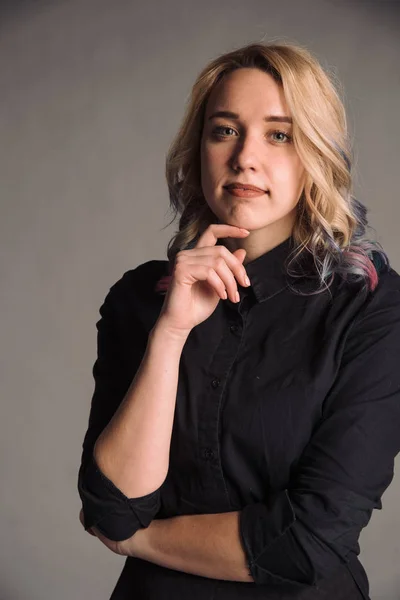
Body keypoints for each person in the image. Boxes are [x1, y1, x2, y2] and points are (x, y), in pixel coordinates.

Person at [77, 41, 400, 599]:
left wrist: (140, 541)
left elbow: (308, 541)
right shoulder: (140, 299)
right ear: (198, 148)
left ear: (316, 155)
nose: (245, 156)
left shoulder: (373, 308)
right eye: (224, 130)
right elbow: (114, 504)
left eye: (280, 134)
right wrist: (172, 332)